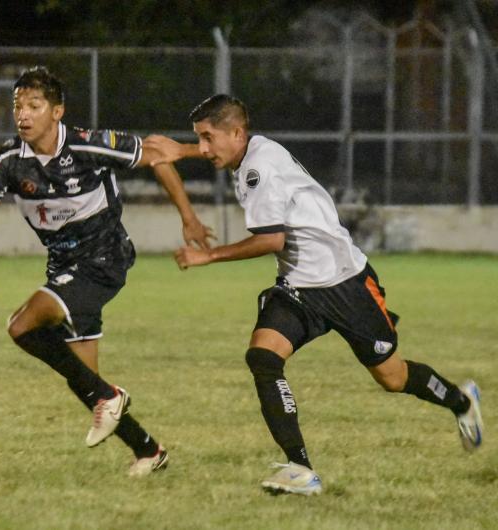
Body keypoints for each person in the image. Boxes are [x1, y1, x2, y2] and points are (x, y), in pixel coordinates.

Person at [148, 94, 484, 495]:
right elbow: (222, 148)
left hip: (345, 284)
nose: (204, 148)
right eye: (198, 139)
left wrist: (208, 256)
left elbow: (272, 239)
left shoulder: (259, 169)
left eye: (207, 138)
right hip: (298, 287)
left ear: (236, 133)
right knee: (263, 357)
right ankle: (300, 469)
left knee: (392, 378)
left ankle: (461, 401)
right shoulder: (250, 149)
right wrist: (184, 151)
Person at [0, 66, 213, 476]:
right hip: (63, 265)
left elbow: (157, 156)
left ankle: (110, 396)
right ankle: (148, 450)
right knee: (85, 382)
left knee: (21, 325)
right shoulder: (7, 160)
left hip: (104, 257)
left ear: (57, 111)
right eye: (17, 107)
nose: (22, 115)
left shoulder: (86, 145)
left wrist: (189, 213)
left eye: (33, 106)